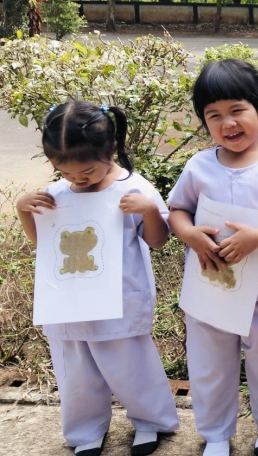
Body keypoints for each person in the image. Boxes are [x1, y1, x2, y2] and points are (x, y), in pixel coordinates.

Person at [16, 101, 179, 456]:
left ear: (112, 148)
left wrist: (150, 210)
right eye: (64, 171)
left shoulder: (133, 189)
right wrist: (23, 209)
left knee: (132, 366)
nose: (77, 179)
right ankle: (85, 431)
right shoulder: (55, 195)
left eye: (87, 171)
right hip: (68, 306)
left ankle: (151, 422)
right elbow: (44, 245)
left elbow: (157, 240)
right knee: (76, 373)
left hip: (119, 301)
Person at [167, 59, 258, 456]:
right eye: (214, 115)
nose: (227, 123)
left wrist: (257, 239)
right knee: (210, 365)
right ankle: (216, 434)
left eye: (236, 110)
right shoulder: (199, 166)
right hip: (209, 292)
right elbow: (177, 211)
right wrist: (190, 234)